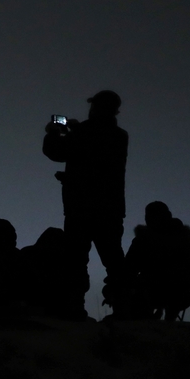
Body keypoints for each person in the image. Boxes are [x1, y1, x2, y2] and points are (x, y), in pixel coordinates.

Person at [43, 90, 130, 318]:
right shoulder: (120, 136)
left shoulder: (85, 133)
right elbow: (97, 162)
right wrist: (77, 130)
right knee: (113, 260)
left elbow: (55, 151)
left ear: (95, 107)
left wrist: (53, 132)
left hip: (80, 208)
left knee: (76, 260)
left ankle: (74, 308)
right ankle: (125, 308)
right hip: (110, 209)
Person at [125, 201, 190, 321]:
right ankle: (159, 319)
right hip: (172, 292)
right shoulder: (184, 239)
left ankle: (155, 319)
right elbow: (129, 269)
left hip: (170, 291)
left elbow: (129, 269)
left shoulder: (143, 240)